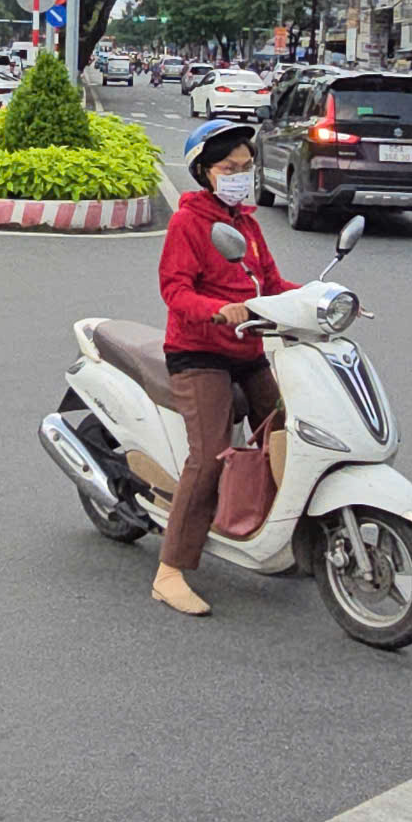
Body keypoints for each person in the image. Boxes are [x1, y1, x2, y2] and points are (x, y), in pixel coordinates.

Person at [148, 119, 294, 618]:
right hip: (199, 352)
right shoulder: (189, 222)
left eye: (246, 167)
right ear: (206, 173)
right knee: (209, 454)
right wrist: (215, 309)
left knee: (287, 433)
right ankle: (170, 571)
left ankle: (276, 530)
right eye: (230, 168)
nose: (240, 175)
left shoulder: (247, 225)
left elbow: (271, 283)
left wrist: (323, 299)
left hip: (249, 348)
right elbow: (175, 290)